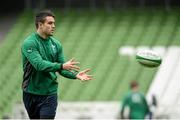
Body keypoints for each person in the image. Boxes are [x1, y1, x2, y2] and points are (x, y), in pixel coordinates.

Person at [21, 10, 93, 119]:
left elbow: (62, 68)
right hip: (31, 92)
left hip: (50, 94)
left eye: (54, 23)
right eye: (50, 23)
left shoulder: (56, 44)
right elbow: (39, 65)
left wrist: (75, 75)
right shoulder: (29, 43)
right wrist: (61, 66)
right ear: (40, 25)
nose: (53, 26)